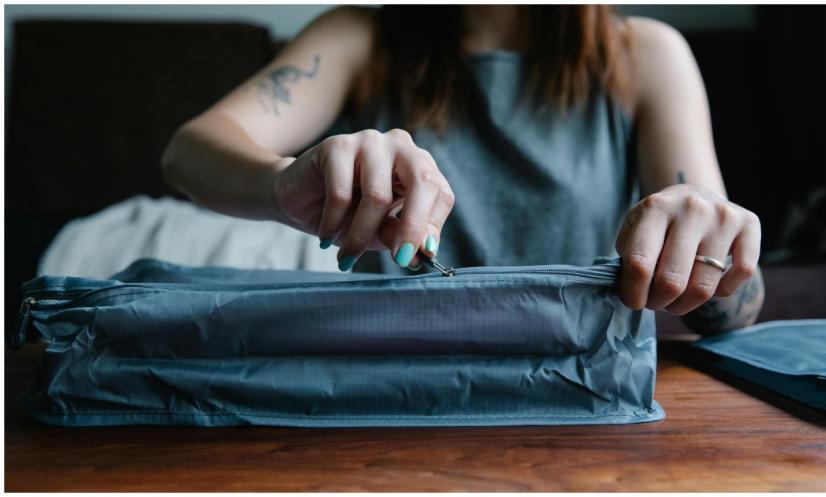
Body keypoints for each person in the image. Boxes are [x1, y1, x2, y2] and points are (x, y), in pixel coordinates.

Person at [162, 5, 764, 334]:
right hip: (389, 387)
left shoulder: (647, 56)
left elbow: (731, 288)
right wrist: (278, 184)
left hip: (578, 395)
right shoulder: (357, 38)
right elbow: (190, 151)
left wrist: (713, 256)